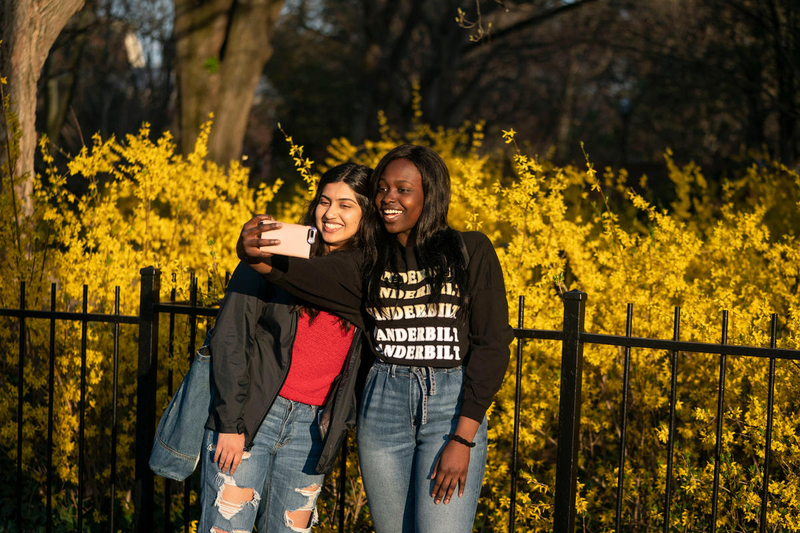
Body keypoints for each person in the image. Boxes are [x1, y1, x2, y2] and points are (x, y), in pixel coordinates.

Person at [237, 144, 514, 533]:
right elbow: (303, 274)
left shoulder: (470, 250)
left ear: (429, 195)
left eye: (403, 189)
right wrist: (254, 253)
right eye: (382, 188)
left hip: (449, 412)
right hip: (384, 406)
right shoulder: (368, 261)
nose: (389, 198)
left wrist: (463, 439)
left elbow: (492, 345)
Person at [198, 162, 372, 533]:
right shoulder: (273, 254)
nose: (331, 213)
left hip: (311, 431)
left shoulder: (367, 274)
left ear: (366, 213)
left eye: (346, 205)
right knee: (226, 527)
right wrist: (230, 423)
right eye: (325, 201)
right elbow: (231, 336)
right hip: (252, 416)